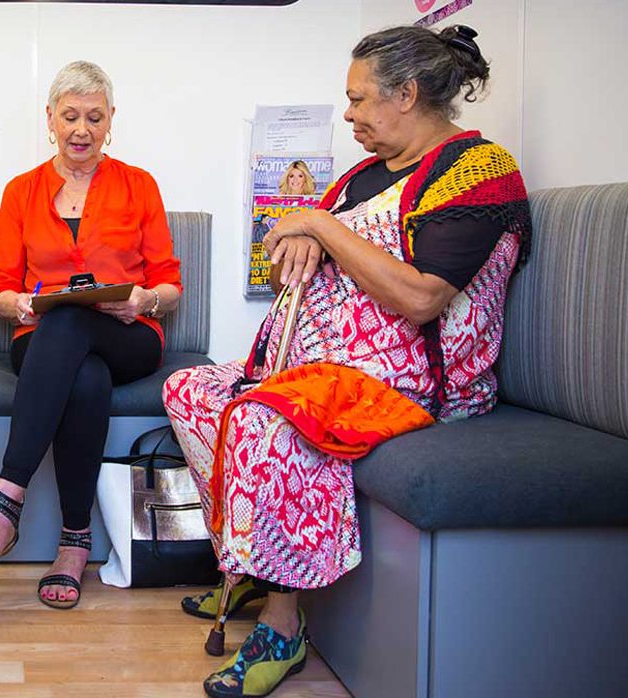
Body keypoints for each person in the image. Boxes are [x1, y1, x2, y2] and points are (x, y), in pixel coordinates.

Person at [166, 25, 530, 697]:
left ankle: (284, 629)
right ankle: (253, 565)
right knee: (191, 391)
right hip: (319, 366)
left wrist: (322, 226)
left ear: (407, 94)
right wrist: (296, 236)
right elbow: (288, 246)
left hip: (409, 383)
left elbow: (421, 298)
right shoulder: (364, 176)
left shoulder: (478, 172)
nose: (351, 116)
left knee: (261, 420)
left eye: (360, 100)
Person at [0, 61, 183, 608]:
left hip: (129, 336)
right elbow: (0, 290)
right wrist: (21, 301)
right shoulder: (21, 191)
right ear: (50, 118)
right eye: (70, 116)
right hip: (43, 339)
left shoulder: (140, 185)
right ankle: (74, 542)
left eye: (94, 117)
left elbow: (169, 284)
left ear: (111, 120)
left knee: (73, 322)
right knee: (81, 370)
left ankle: (3, 503)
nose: (82, 129)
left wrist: (143, 299)